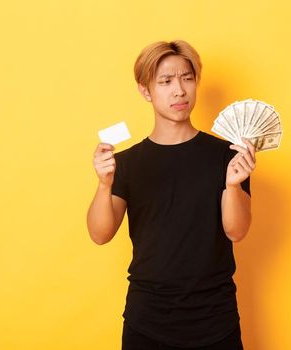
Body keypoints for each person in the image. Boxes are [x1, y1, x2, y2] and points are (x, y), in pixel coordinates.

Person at [86, 40, 256, 349]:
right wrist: (103, 184)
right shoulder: (127, 163)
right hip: (147, 320)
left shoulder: (227, 156)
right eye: (165, 81)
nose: (179, 90)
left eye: (187, 78)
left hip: (215, 319)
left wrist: (232, 185)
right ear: (145, 90)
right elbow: (100, 234)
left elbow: (237, 230)